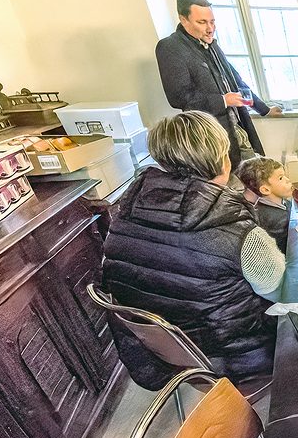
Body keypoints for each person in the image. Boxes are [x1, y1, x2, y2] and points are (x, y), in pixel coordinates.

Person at [103, 111, 284, 388]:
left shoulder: (124, 214)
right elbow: (278, 289)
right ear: (221, 161)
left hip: (173, 359)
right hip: (239, 358)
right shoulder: (235, 227)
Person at [156, 0, 281, 170]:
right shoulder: (170, 47)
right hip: (212, 138)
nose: (210, 28)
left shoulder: (211, 45)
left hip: (238, 129)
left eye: (212, 22)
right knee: (237, 183)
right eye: (202, 22)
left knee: (257, 178)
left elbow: (236, 82)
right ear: (184, 20)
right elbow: (178, 98)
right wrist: (223, 100)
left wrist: (264, 110)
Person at [237, 156, 294, 254]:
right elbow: (286, 249)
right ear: (265, 189)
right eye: (281, 178)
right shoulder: (272, 219)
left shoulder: (282, 202)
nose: (287, 180)